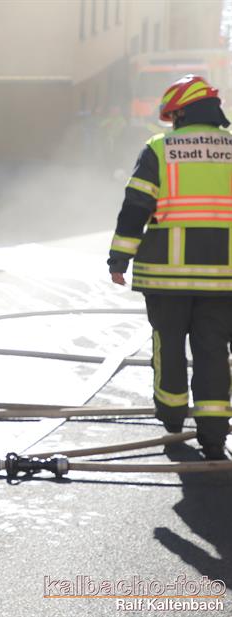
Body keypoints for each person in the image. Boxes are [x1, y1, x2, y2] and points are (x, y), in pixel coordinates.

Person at [108, 74, 232, 461]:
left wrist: (119, 258)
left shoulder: (160, 148)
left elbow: (136, 207)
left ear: (180, 113)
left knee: (169, 346)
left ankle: (172, 417)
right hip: (223, 278)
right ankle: (214, 435)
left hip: (166, 276)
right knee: (214, 352)